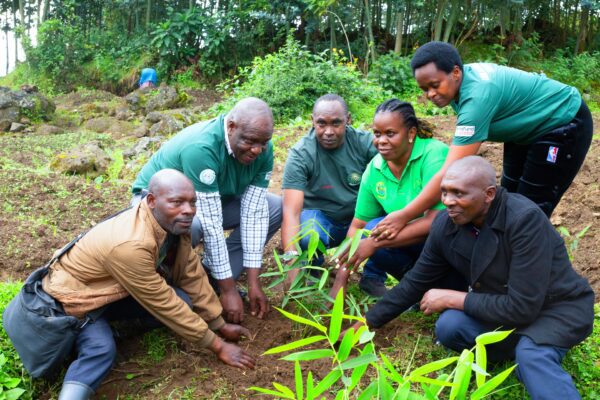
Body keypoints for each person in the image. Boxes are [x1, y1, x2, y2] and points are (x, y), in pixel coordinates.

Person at [361, 156, 595, 400]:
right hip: (505, 308)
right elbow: (416, 281)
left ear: (489, 194)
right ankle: (521, 347)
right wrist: (366, 323)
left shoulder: (523, 220)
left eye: (458, 193)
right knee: (450, 327)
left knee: (531, 355)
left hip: (553, 309)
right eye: (444, 192)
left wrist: (453, 298)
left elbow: (522, 306)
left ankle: (533, 351)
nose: (447, 201)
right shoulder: (447, 224)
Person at [39, 170, 255, 400]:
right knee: (101, 350)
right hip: (76, 300)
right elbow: (163, 302)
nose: (188, 210)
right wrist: (218, 346)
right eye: (177, 202)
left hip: (110, 291)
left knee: (183, 300)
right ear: (151, 200)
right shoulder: (130, 244)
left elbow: (190, 273)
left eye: (192, 202)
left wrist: (218, 323)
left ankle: (116, 328)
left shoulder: (172, 224)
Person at [371, 41, 593, 243]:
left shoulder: (477, 97)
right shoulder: (458, 85)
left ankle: (541, 265)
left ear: (455, 72)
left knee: (530, 209)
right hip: (524, 130)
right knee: (508, 199)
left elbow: (449, 171)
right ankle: (501, 256)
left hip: (563, 121)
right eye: (424, 89)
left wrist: (404, 215)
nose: (430, 94)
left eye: (435, 85)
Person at [131, 97, 282, 324]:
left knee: (274, 208)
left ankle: (212, 276)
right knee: (191, 225)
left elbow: (255, 213)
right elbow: (211, 223)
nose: (257, 150)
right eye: (250, 141)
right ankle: (172, 282)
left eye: (264, 142)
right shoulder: (202, 147)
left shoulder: (262, 149)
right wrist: (229, 290)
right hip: (159, 207)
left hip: (216, 198)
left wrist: (254, 283)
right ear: (231, 127)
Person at [331, 99, 453, 298]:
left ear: (411, 133)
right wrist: (340, 279)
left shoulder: (433, 155)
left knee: (374, 236)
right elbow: (358, 226)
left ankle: (437, 283)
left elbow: (438, 221)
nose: (381, 141)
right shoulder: (375, 169)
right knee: (372, 228)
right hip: (406, 242)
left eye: (390, 133)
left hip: (441, 244)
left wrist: (375, 243)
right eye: (377, 134)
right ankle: (414, 285)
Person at [280, 94, 377, 286]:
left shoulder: (365, 143)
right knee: (308, 234)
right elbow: (291, 212)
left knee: (383, 227)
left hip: (359, 220)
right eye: (321, 124)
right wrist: (291, 260)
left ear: (348, 120)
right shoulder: (301, 154)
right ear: (312, 121)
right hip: (323, 221)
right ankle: (312, 269)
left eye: (336, 123)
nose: (328, 131)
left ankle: (373, 277)